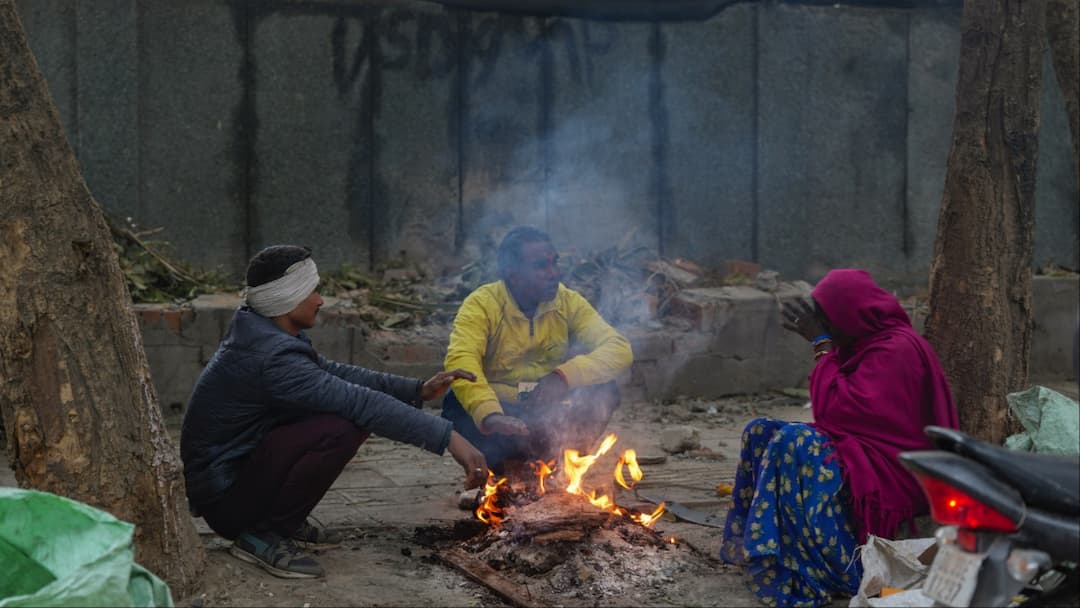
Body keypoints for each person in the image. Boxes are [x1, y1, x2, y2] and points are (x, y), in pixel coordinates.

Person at [180, 245, 488, 579]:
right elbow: (360, 402)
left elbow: (336, 374)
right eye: (313, 290)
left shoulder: (264, 333)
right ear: (288, 298)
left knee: (341, 415)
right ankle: (261, 534)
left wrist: (416, 390)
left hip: (233, 482)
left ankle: (280, 519)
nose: (321, 300)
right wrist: (451, 439)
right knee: (341, 426)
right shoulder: (272, 357)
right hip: (227, 502)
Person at [719, 269, 959, 607]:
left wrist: (821, 345)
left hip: (893, 471)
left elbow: (836, 412)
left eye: (827, 320)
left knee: (796, 442)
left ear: (851, 314)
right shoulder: (865, 344)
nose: (823, 327)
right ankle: (766, 551)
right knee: (760, 431)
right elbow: (840, 418)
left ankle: (841, 568)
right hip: (862, 452)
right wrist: (826, 345)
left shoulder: (896, 349)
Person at [441, 226, 634, 474]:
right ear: (514, 275)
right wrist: (489, 415)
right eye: (541, 266)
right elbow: (461, 361)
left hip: (547, 410)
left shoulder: (567, 301)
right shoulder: (481, 304)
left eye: (555, 263)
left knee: (604, 389)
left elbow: (619, 349)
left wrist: (562, 378)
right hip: (500, 414)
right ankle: (499, 472)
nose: (554, 273)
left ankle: (557, 466)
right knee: (455, 402)